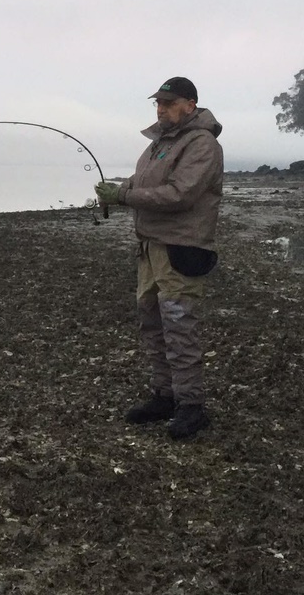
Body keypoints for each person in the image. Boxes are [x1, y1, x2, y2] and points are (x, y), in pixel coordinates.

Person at [95, 76, 223, 440]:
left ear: (191, 105)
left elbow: (179, 194)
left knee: (180, 326)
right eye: (158, 103)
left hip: (182, 249)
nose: (161, 108)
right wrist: (116, 191)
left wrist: (124, 199)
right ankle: (165, 395)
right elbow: (140, 184)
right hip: (150, 247)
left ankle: (191, 406)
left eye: (169, 103)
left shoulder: (202, 145)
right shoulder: (158, 145)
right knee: (152, 324)